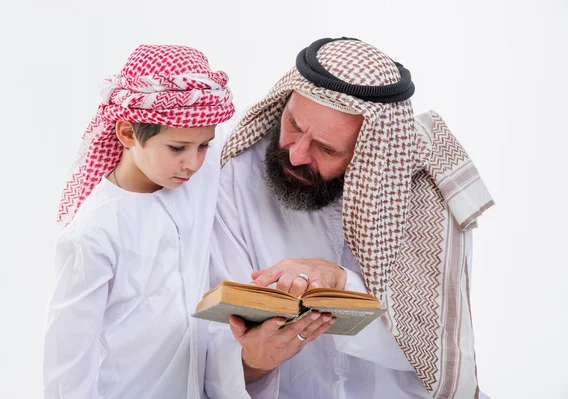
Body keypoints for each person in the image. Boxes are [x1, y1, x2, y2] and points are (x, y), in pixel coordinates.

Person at [205, 37, 493, 398]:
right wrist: (254, 361)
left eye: (325, 148)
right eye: (293, 125)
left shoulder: (426, 193)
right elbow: (212, 332)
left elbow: (437, 349)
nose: (295, 155)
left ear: (369, 159)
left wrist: (341, 285)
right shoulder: (238, 175)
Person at [43, 44, 235, 399]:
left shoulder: (191, 181)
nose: (193, 162)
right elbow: (67, 366)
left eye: (203, 146)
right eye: (178, 148)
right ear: (128, 134)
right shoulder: (94, 232)